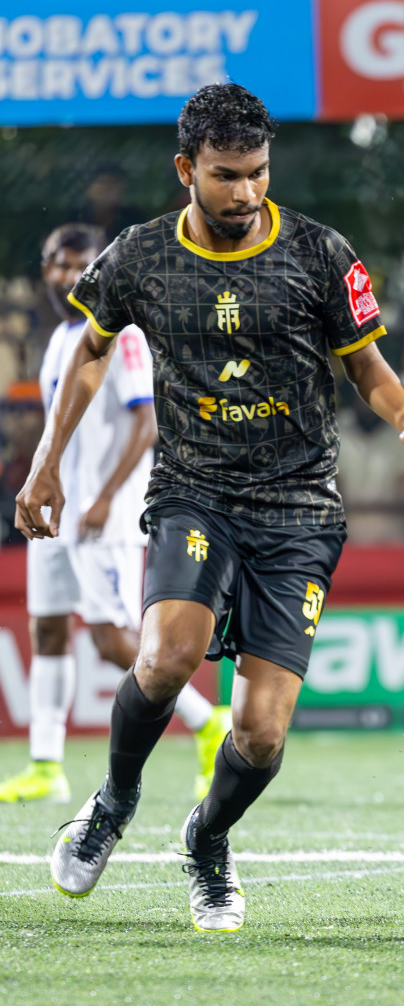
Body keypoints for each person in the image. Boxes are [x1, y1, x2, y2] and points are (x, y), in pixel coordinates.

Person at [14, 84, 404, 933]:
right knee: (165, 656)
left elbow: (366, 365)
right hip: (195, 492)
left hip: (299, 506)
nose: (246, 192)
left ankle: (209, 842)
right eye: (226, 176)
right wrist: (48, 465)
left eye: (259, 173)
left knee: (260, 733)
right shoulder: (140, 256)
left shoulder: (321, 253)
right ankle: (113, 802)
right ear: (186, 169)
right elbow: (89, 352)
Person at [1, 223, 230, 805]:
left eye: (78, 264)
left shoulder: (122, 336)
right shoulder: (61, 340)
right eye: (56, 262)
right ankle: (47, 765)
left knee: (111, 640)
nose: (65, 275)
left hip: (102, 516)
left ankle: (210, 723)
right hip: (56, 511)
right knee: (48, 627)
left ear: (98, 269)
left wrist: (103, 497)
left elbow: (145, 421)